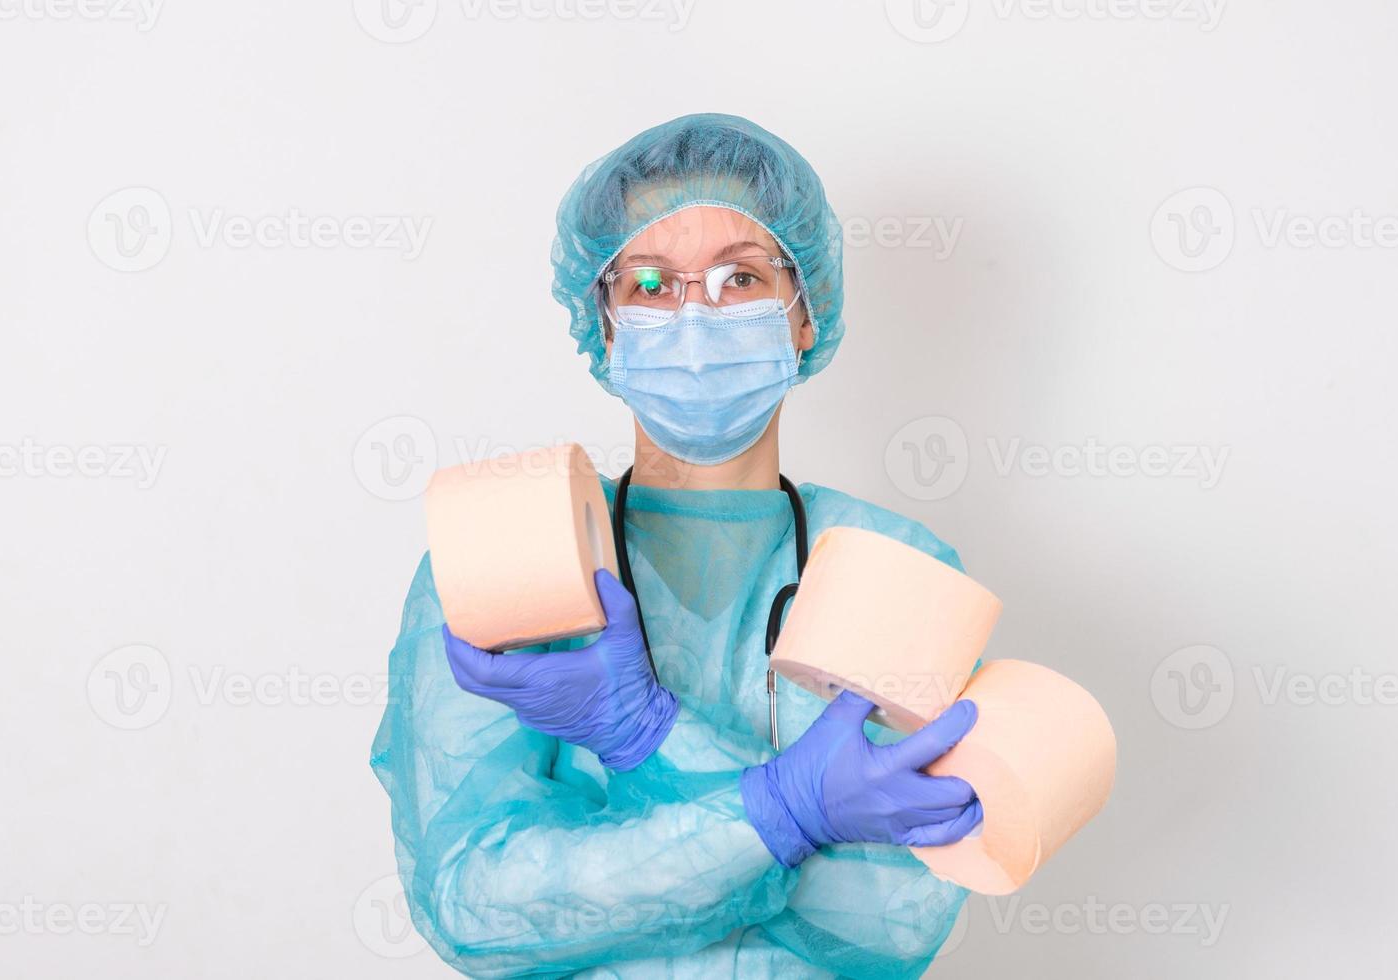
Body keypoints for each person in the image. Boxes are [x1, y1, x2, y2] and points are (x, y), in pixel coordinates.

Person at [371, 113, 984, 979]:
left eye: (740, 278)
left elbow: (892, 918)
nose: (697, 319)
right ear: (606, 323)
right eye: (652, 285)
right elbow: (480, 905)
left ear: (806, 313)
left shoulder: (893, 565)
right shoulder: (506, 549)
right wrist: (790, 813)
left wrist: (645, 740)